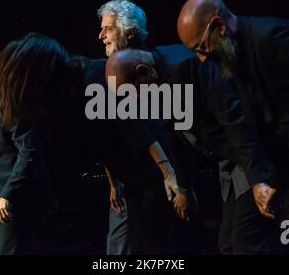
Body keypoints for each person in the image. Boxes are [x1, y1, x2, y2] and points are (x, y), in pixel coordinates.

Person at [105, 45, 276, 254]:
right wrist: (184, 189)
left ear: (143, 72)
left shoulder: (186, 67)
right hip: (232, 163)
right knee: (229, 245)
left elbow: (235, 121)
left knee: (246, 244)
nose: (133, 102)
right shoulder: (161, 83)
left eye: (131, 93)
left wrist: (259, 178)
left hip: (253, 158)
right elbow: (177, 137)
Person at [177, 0, 289, 252]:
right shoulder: (232, 61)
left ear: (219, 26)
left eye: (201, 47)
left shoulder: (275, 39)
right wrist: (263, 179)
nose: (202, 58)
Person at [97, 0, 178, 255]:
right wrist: (113, 181)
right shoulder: (113, 69)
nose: (101, 35)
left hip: (152, 183)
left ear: (130, 32)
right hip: (131, 182)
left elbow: (146, 129)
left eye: (108, 28)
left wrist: (169, 174)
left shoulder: (146, 69)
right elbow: (113, 132)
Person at [0, 33, 69, 254]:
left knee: (7, 251)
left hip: (11, 203)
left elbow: (29, 152)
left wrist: (7, 195)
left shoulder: (12, 106)